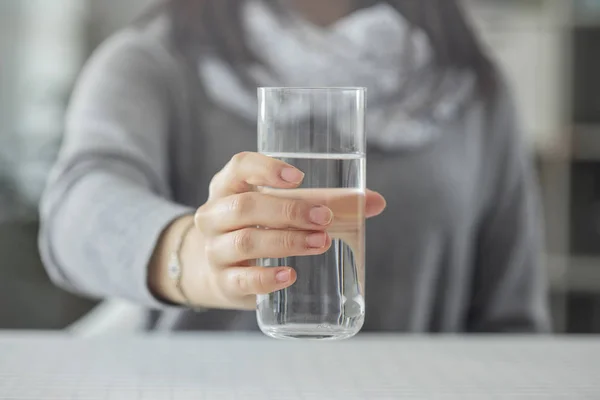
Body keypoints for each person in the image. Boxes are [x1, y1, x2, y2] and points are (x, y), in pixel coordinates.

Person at [39, 0, 550, 332]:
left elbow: (512, 316)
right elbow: (78, 209)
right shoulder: (157, 61)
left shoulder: (471, 89)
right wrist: (189, 254)